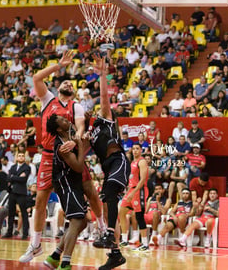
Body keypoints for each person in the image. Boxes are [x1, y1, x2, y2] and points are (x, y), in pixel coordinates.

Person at [19, 51, 103, 263]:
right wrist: (59, 65)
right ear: (58, 87)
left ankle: (103, 229)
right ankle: (36, 244)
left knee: (89, 190)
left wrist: (76, 140)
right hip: (48, 156)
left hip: (69, 153)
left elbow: (81, 124)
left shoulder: (76, 106)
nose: (69, 84)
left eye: (72, 84)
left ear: (74, 92)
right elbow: (37, 77)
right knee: (40, 200)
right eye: (65, 81)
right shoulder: (47, 99)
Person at [86, 54, 131, 270]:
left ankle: (108, 235)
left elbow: (104, 98)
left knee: (109, 195)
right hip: (107, 169)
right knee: (106, 205)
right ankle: (115, 254)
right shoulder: (88, 134)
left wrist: (102, 74)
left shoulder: (104, 119)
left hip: (118, 161)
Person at [43, 113, 90, 270]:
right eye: (62, 120)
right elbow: (78, 166)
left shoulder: (69, 135)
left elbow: (81, 134)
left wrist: (87, 121)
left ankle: (55, 256)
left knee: (82, 222)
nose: (66, 120)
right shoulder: (61, 146)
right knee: (77, 221)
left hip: (73, 183)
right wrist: (81, 145)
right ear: (58, 128)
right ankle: (65, 263)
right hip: (66, 184)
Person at [119, 143, 149, 251]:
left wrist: (133, 192)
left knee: (139, 216)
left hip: (139, 190)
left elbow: (143, 179)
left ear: (141, 150)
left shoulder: (142, 162)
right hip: (131, 190)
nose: (135, 151)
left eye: (137, 149)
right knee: (121, 212)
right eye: (134, 149)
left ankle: (145, 244)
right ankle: (124, 239)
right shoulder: (132, 162)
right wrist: (127, 190)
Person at [2, 151, 31, 239]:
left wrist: (13, 177)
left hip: (21, 193)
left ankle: (25, 234)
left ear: (24, 158)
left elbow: (23, 179)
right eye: (19, 156)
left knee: (24, 213)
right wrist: (16, 177)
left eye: (22, 156)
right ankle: (9, 232)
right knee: (11, 213)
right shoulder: (13, 167)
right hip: (12, 192)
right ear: (17, 158)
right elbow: (8, 178)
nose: (21, 157)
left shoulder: (27, 167)